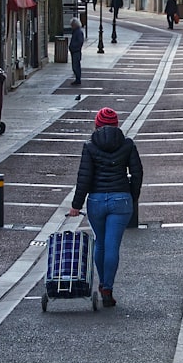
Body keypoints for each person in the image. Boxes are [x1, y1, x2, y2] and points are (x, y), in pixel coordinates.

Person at [68, 107, 143, 308]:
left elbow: (84, 178)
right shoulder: (127, 144)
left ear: (97, 124)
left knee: (100, 243)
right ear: (117, 124)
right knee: (112, 246)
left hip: (97, 201)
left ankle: (103, 284)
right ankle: (107, 287)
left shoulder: (90, 146)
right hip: (121, 199)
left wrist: (76, 205)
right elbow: (137, 173)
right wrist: (132, 196)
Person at [68, 17, 84, 85]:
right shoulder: (76, 31)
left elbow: (80, 42)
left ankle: (78, 79)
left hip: (76, 51)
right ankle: (77, 78)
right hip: (74, 51)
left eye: (72, 25)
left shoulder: (78, 32)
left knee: (76, 66)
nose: (71, 26)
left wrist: (74, 47)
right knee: (75, 66)